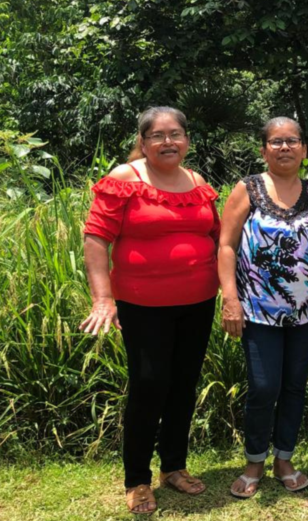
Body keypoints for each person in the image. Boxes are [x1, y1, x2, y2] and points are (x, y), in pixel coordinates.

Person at [80, 107, 219, 515]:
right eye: (157, 136)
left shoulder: (197, 182)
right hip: (143, 304)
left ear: (187, 140)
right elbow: (95, 239)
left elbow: (217, 236)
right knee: (149, 385)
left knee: (183, 384)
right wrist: (103, 298)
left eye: (176, 134)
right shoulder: (126, 180)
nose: (168, 142)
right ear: (142, 142)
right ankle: (137, 478)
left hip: (198, 301)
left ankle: (173, 467)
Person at [218, 117, 308, 498]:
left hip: (306, 310)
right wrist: (230, 299)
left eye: (292, 141)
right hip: (257, 309)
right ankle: (254, 462)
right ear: (263, 150)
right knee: (263, 387)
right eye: (276, 142)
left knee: (295, 385)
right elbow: (226, 245)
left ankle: (285, 460)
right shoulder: (248, 188)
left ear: (304, 149)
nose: (284, 148)